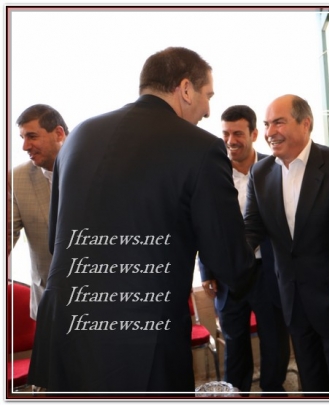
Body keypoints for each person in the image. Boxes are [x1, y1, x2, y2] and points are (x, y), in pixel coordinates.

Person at [27, 47, 255, 393]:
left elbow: (54, 239)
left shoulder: (80, 136)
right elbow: (228, 259)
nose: (208, 110)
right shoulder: (200, 148)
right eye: (208, 95)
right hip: (139, 339)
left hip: (65, 331)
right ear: (186, 89)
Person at [244, 94, 329, 393]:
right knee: (310, 380)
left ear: (305, 123)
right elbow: (251, 229)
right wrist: (221, 254)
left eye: (279, 122)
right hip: (292, 299)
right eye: (267, 124)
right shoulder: (260, 173)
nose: (270, 132)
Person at [199, 105, 290, 394]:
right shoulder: (213, 174)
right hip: (228, 276)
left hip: (269, 271)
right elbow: (204, 224)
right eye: (225, 133)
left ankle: (273, 393)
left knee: (274, 340)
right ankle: (236, 395)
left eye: (238, 133)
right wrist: (207, 270)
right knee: (235, 344)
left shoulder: (275, 168)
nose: (230, 140)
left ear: (253, 134)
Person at [9, 104, 68, 320]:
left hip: (99, 301)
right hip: (48, 305)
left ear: (59, 133)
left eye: (32, 136)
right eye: (22, 138)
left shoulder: (98, 169)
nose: (25, 146)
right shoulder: (16, 179)